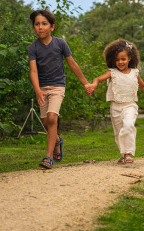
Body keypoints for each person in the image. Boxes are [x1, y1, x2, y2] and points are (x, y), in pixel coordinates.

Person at [28, 9, 91, 169]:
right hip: (42, 88)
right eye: (37, 24)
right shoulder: (33, 48)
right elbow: (33, 71)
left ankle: (48, 157)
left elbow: (72, 64)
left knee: (52, 118)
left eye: (44, 24)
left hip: (57, 87)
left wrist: (85, 83)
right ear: (34, 27)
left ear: (52, 27)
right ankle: (57, 140)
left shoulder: (60, 43)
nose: (40, 27)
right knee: (45, 122)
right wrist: (37, 90)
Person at [87, 39, 144, 164]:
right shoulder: (112, 72)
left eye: (123, 59)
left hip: (130, 105)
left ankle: (129, 153)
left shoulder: (135, 73)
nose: (120, 62)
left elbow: (143, 86)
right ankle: (124, 154)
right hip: (115, 107)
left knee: (128, 125)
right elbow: (97, 79)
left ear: (130, 58)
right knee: (119, 132)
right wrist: (94, 84)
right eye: (117, 60)